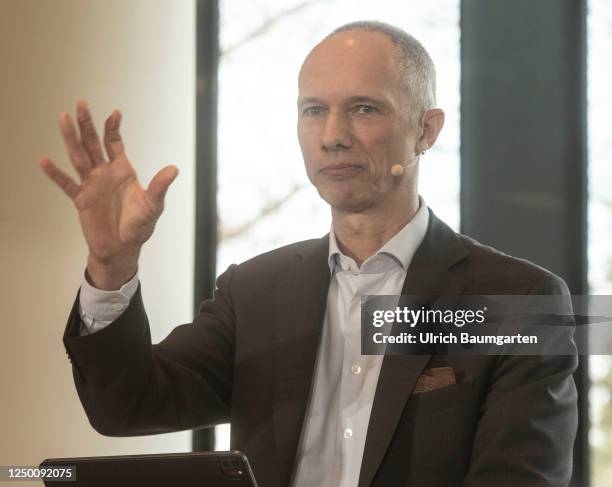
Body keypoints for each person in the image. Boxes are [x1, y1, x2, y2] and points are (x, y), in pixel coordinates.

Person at [40, 21, 578, 487]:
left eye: (363, 109)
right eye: (314, 110)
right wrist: (112, 266)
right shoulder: (253, 292)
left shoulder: (518, 302)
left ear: (426, 129)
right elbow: (127, 406)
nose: (333, 135)